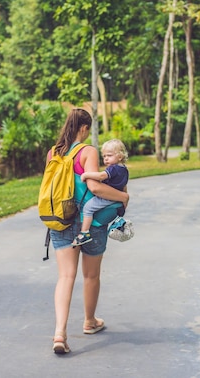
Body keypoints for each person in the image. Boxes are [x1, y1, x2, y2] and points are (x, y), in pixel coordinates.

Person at [46, 108, 129, 355]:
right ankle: (89, 321)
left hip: (60, 219)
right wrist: (124, 196)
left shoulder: (53, 152)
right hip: (88, 222)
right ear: (84, 128)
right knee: (91, 276)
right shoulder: (88, 151)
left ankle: (59, 333)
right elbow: (95, 186)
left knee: (65, 277)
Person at [72, 139, 129, 247]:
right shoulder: (124, 169)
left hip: (107, 197)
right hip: (116, 197)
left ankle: (84, 233)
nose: (106, 158)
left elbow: (101, 176)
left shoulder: (113, 169)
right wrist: (124, 202)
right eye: (104, 156)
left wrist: (86, 175)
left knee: (88, 208)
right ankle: (118, 222)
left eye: (109, 155)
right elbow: (124, 186)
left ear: (120, 156)